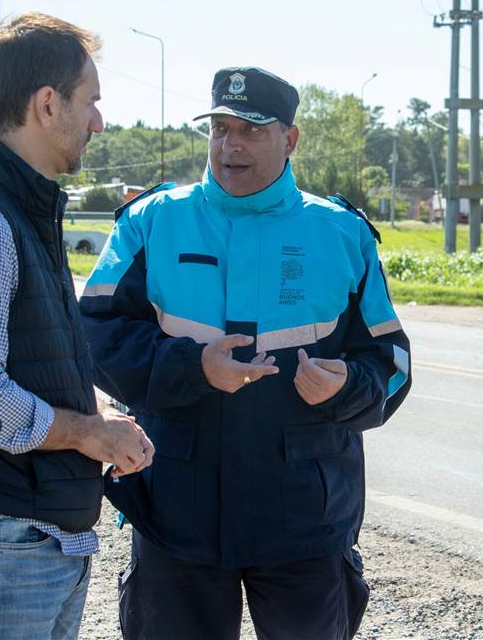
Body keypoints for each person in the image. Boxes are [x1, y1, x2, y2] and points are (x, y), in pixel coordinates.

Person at [79, 66, 412, 639]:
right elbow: (93, 336)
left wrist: (347, 386)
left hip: (305, 520)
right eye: (220, 128)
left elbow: (393, 367)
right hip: (176, 517)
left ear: (291, 139)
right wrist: (193, 368)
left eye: (252, 130)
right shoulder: (152, 221)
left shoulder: (341, 233)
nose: (231, 145)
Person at [0, 12, 154, 639]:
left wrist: (94, 413)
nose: (99, 120)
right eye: (91, 101)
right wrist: (88, 435)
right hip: (6, 540)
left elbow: (21, 364)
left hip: (35, 537)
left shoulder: (22, 209)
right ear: (48, 104)